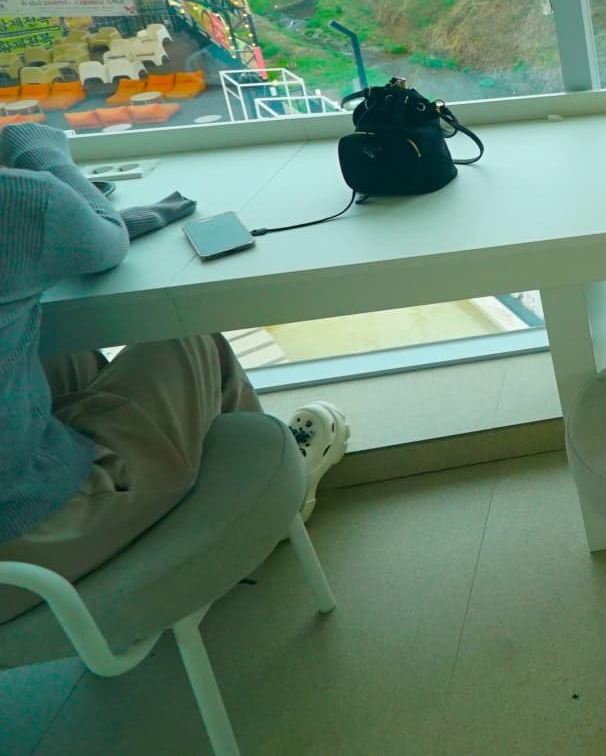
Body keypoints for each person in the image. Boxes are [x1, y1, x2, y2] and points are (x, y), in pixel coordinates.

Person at [0, 123, 349, 625]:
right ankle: (273, 504)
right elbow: (105, 238)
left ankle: (197, 481)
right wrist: (35, 147)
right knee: (187, 339)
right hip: (31, 546)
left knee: (60, 356)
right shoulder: (19, 200)